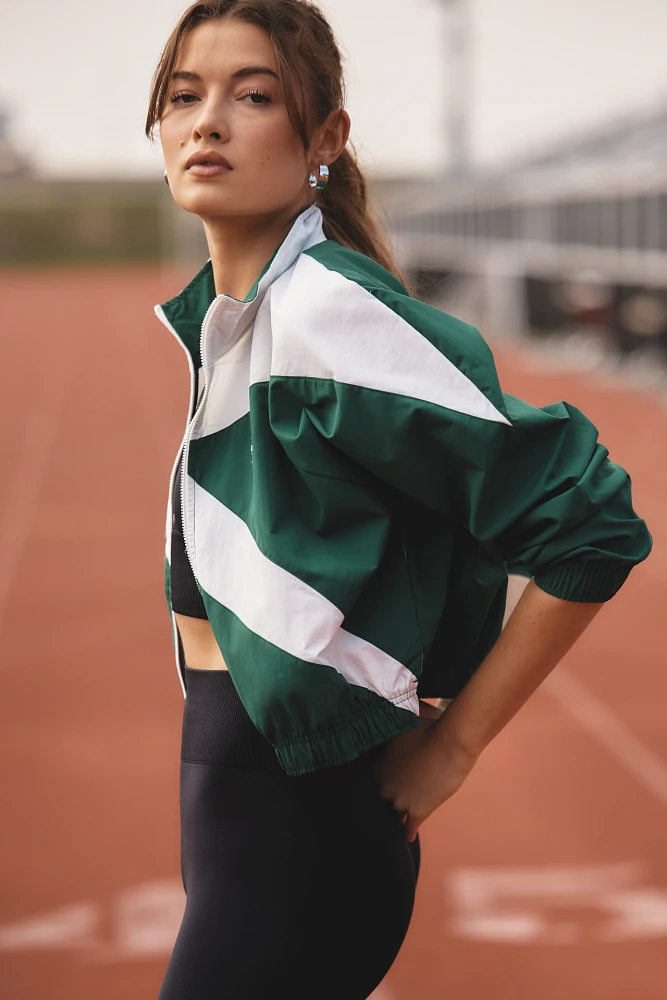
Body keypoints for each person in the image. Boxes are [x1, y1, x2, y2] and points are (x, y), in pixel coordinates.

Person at [145, 2, 653, 997]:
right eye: (182, 96)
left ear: (324, 138)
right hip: (247, 819)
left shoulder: (327, 316)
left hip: (302, 833)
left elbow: (590, 518)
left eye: (253, 95)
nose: (206, 121)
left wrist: (452, 749)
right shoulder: (242, 326)